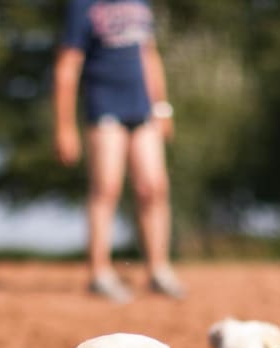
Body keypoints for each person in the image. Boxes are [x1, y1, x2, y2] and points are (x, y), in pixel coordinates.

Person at [53, 0, 185, 303]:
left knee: (154, 187)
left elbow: (149, 55)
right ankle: (100, 273)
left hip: (143, 110)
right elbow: (67, 67)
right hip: (104, 109)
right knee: (106, 188)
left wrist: (162, 107)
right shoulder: (82, 6)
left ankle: (158, 270)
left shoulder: (139, 4)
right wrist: (64, 126)